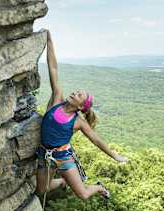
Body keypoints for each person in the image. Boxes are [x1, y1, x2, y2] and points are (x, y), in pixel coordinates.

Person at [35, 30, 128, 200]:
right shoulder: (57, 100)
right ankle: (63, 182)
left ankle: (98, 188)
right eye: (77, 91)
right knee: (42, 190)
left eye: (79, 96)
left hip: (63, 157)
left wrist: (115, 156)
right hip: (44, 154)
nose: (75, 93)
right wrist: (49, 42)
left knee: (84, 194)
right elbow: (53, 68)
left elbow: (96, 140)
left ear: (80, 107)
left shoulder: (77, 122)